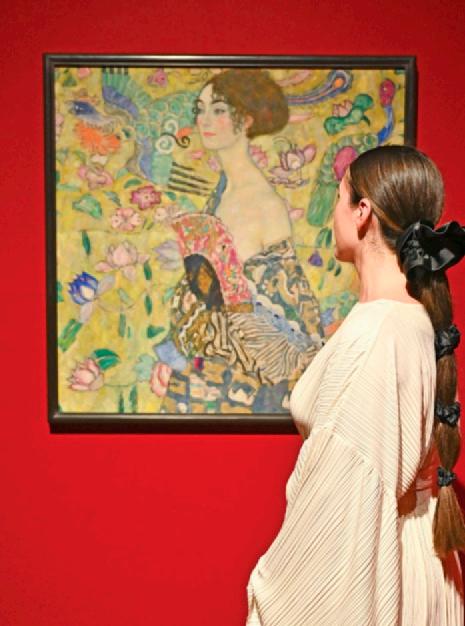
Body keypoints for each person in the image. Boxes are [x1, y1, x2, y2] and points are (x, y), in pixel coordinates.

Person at [246, 145, 465, 624]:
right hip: (417, 560)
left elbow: (343, 504)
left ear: (362, 211)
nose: (333, 213)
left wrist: (270, 583)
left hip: (382, 568)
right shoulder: (406, 320)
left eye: (338, 196)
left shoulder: (378, 333)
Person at [158, 70, 324, 414]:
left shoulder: (261, 202)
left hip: (238, 385)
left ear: (246, 120)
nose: (204, 119)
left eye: (218, 109)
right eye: (200, 109)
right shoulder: (223, 191)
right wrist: (173, 355)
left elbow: (291, 316)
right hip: (201, 368)